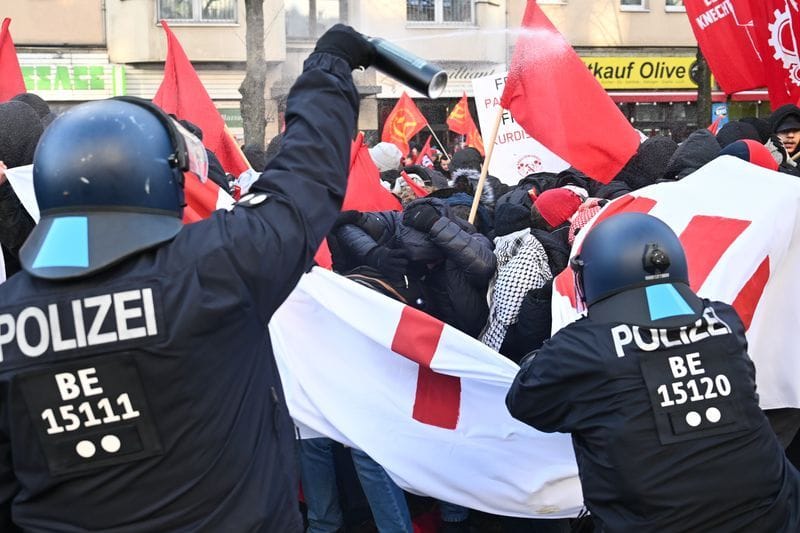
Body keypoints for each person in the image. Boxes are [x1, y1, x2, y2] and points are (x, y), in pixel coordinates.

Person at [0, 23, 373, 531]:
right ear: (160, 179)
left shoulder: (8, 319)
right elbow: (302, 186)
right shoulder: (217, 268)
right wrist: (328, 68)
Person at [506, 212, 800, 532]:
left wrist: (540, 359)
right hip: (773, 513)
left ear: (592, 275)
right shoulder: (723, 320)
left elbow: (525, 403)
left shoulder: (580, 347)